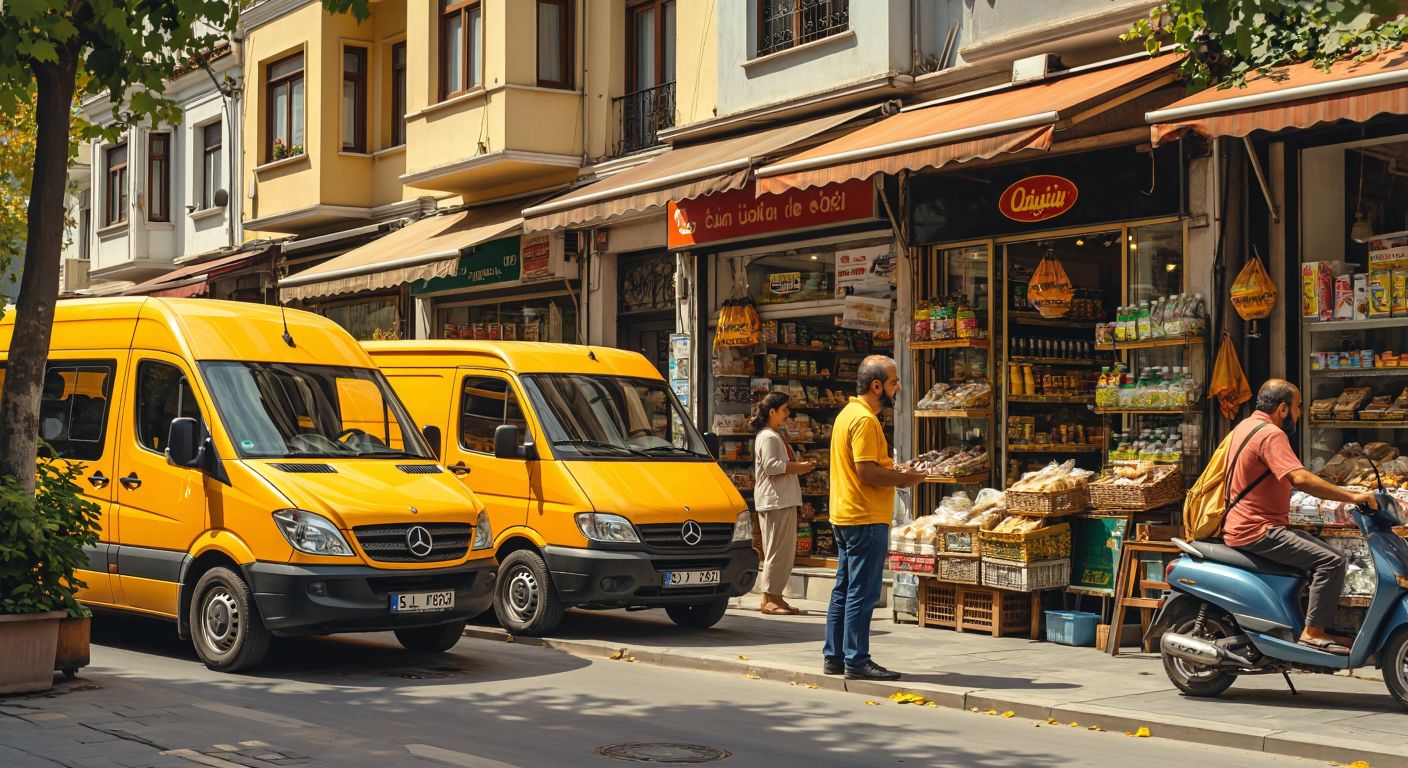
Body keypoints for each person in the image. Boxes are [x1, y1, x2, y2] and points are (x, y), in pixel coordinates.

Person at [1224, 379, 1377, 655]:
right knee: (1332, 560)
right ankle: (1313, 632)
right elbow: (1300, 478)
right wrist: (1352, 496)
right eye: (1297, 407)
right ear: (1282, 409)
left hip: (1247, 523)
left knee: (1320, 548)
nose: (1299, 413)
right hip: (1258, 530)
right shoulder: (1271, 434)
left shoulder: (1244, 427)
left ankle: (1302, 626)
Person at [823, 355, 926, 681]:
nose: (898, 388)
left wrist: (897, 470)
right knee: (862, 593)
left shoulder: (847, 414)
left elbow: (868, 466)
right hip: (864, 516)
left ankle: (834, 657)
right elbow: (866, 471)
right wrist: (905, 478)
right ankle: (856, 660)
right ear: (877, 385)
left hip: (846, 514)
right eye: (894, 382)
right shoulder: (865, 420)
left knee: (843, 589)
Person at [751, 392, 816, 616]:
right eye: (784, 410)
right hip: (776, 499)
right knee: (778, 551)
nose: (788, 415)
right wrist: (800, 467)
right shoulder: (769, 437)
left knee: (779, 551)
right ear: (772, 412)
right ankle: (771, 598)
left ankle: (773, 597)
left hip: (778, 498)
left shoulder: (771, 435)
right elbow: (772, 466)